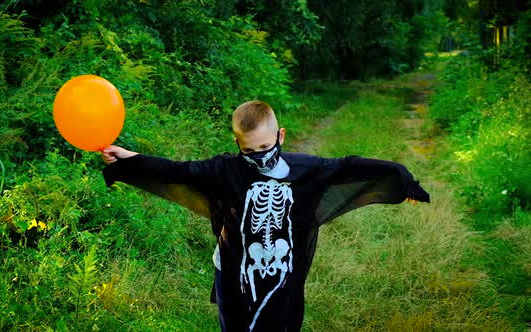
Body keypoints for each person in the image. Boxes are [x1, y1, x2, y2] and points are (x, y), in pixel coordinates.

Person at [101, 100, 430, 332]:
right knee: (237, 325)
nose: (259, 157)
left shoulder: (304, 169)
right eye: (249, 151)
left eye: (265, 147)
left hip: (282, 270)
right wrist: (130, 159)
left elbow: (348, 165)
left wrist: (403, 180)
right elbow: (178, 171)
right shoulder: (224, 169)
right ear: (237, 143)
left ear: (280, 136)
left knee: (280, 323)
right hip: (232, 267)